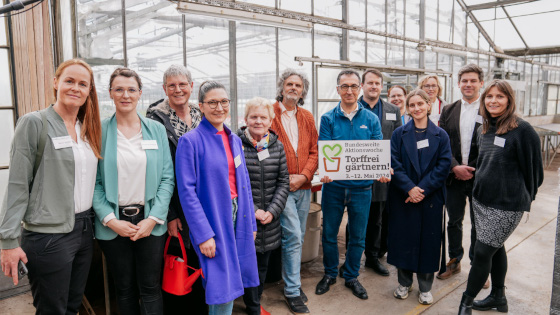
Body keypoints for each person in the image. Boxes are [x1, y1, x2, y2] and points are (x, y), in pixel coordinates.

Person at [0, 59, 102, 314]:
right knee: (51, 309)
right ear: (56, 83)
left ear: (89, 91)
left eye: (82, 84)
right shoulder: (35, 123)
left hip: (84, 229)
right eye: (69, 81)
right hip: (49, 235)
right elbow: (17, 186)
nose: (75, 88)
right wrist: (8, 242)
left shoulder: (87, 129)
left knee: (71, 305)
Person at [93, 67, 174, 315]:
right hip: (114, 223)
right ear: (110, 94)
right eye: (119, 89)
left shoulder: (155, 130)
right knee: (124, 288)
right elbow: (93, 182)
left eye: (131, 90)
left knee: (150, 288)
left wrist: (153, 218)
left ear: (139, 93)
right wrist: (110, 220)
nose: (125, 95)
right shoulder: (99, 130)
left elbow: (167, 178)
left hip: (149, 220)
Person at [457, 80, 543, 315]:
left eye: (500, 96)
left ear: (509, 100)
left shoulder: (522, 130)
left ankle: (466, 302)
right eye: (489, 97)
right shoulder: (483, 128)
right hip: (481, 201)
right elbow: (483, 163)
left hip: (506, 205)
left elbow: (535, 171)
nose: (493, 101)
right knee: (496, 248)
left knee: (483, 253)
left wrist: (523, 198)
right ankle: (498, 297)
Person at [175, 81, 259, 315]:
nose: (219, 107)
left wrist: (250, 222)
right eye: (212, 102)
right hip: (213, 219)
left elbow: (244, 184)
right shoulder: (190, 142)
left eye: (224, 102)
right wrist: (203, 234)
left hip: (238, 215)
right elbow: (187, 193)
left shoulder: (234, 139)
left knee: (230, 280)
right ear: (201, 106)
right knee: (222, 285)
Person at [315, 69, 386, 300]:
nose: (349, 91)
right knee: (329, 234)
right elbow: (325, 151)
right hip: (334, 188)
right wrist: (326, 171)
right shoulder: (328, 118)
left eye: (354, 86)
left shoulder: (371, 119)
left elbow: (377, 151)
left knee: (358, 236)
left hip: (362, 189)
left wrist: (382, 169)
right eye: (344, 86)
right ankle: (329, 273)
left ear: (360, 89)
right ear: (338, 89)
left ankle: (352, 276)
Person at [145, 64, 206, 313]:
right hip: (177, 205)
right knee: (180, 263)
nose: (178, 89)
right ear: (164, 89)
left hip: (203, 202)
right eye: (172, 85)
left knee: (202, 262)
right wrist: (169, 214)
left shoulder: (202, 114)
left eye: (183, 84)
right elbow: (157, 172)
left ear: (192, 87)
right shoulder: (155, 120)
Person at [387, 89, 451, 305]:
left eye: (420, 104)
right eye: (412, 105)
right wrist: (409, 189)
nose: (416, 108)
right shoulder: (399, 134)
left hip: (430, 198)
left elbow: (443, 166)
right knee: (403, 239)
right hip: (403, 196)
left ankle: (425, 287)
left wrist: (421, 189)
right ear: (407, 108)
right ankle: (404, 283)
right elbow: (393, 162)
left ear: (428, 105)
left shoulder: (441, 135)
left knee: (429, 241)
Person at [271, 69, 318, 314]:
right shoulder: (270, 114)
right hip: (281, 188)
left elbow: (314, 151)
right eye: (289, 84)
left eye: (298, 85)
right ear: (281, 88)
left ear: (302, 91)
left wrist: (303, 176)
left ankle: (292, 280)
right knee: (293, 235)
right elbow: (264, 150)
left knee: (296, 236)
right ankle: (292, 290)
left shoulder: (307, 117)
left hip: (303, 186)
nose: (293, 88)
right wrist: (286, 179)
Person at [237, 97, 290, 315]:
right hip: (244, 219)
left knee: (262, 267)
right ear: (246, 119)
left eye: (263, 117)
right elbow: (233, 184)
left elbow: (283, 181)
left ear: (271, 120)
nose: (258, 121)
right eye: (254, 116)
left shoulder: (277, 146)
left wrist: (272, 211)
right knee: (245, 266)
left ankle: (254, 304)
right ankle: (250, 306)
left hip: (269, 220)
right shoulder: (236, 144)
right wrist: (252, 210)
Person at [438, 64, 484, 282]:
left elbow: (490, 145)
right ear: (458, 84)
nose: (468, 84)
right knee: (454, 221)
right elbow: (442, 142)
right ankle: (454, 260)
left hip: (480, 177)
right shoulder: (449, 110)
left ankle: (478, 267)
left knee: (479, 223)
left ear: (481, 83)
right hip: (453, 177)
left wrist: (472, 169)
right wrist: (454, 166)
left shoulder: (489, 109)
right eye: (464, 81)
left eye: (473, 80)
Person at [355, 69, 402, 276]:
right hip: (357, 173)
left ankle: (372, 258)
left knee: (376, 218)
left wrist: (392, 166)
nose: (373, 86)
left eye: (377, 83)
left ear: (381, 86)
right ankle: (352, 258)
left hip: (382, 173)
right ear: (362, 86)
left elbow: (398, 141)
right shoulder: (352, 107)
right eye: (370, 83)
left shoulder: (392, 109)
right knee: (355, 218)